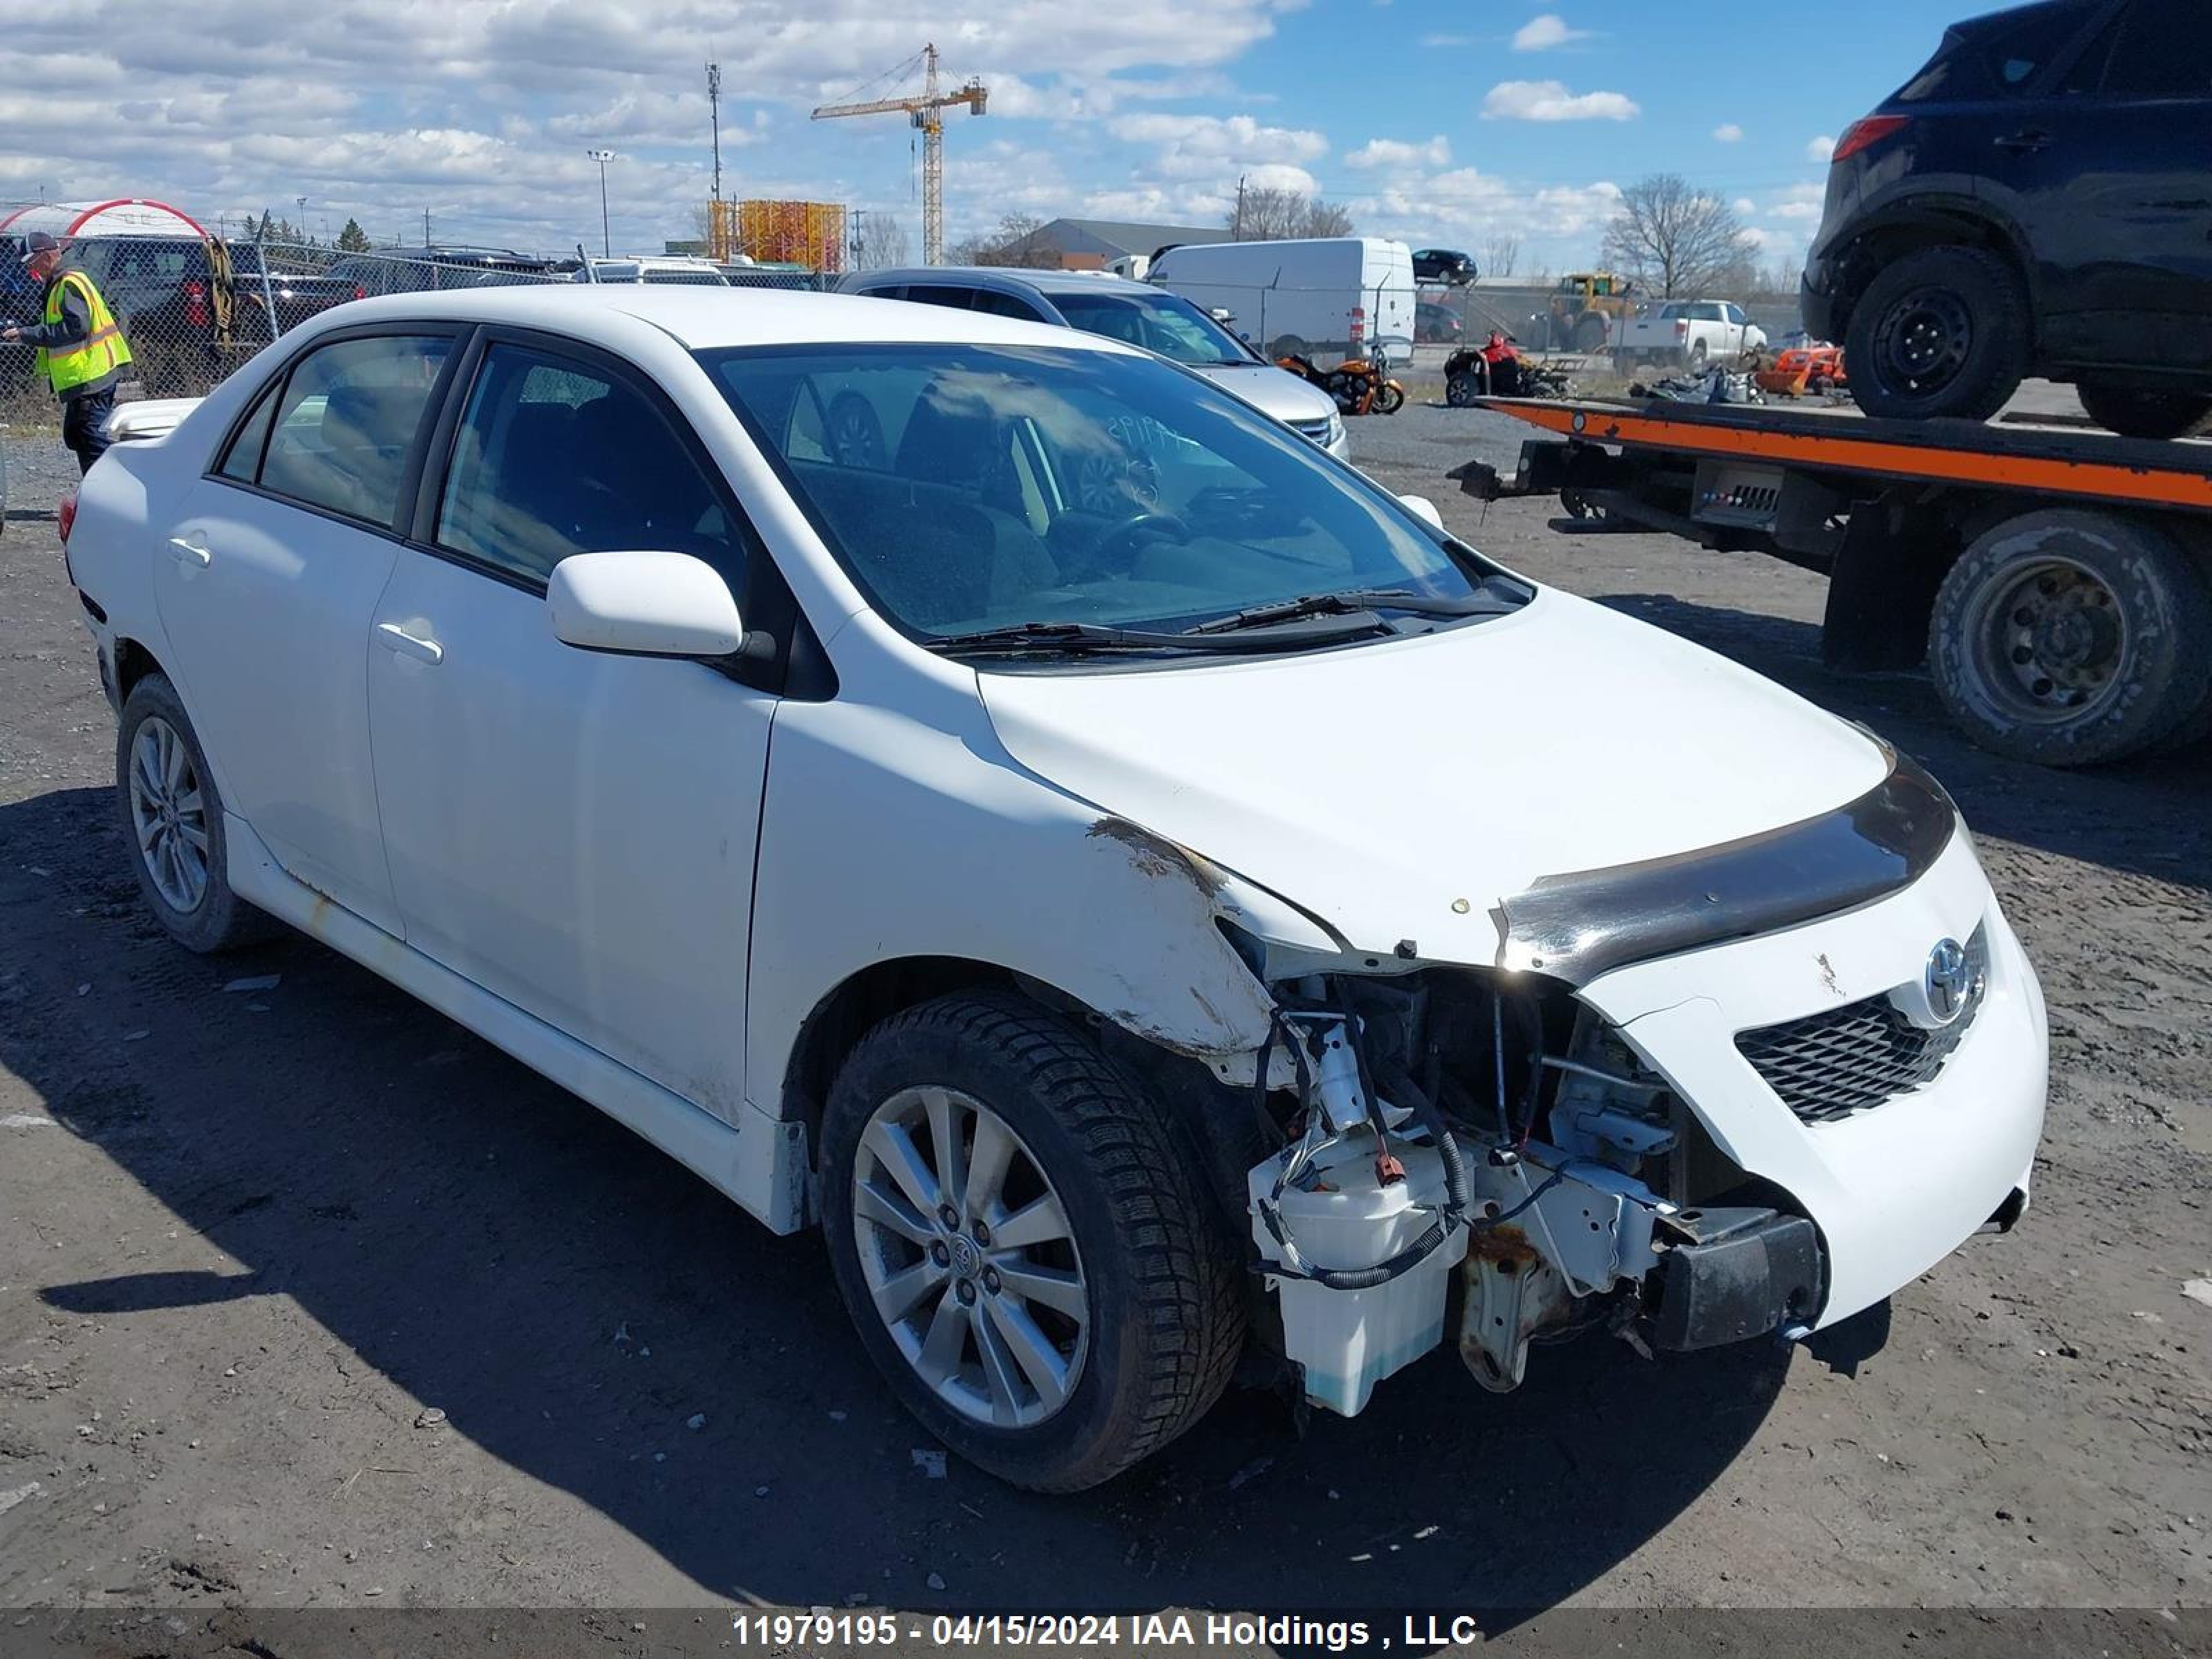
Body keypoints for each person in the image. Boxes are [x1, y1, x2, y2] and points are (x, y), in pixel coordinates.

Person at [1, 232, 134, 475]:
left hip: (90, 374)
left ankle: (108, 493)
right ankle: (95, 493)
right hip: (87, 374)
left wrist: (28, 334)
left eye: (32, 263)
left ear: (47, 256)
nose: (32, 270)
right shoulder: (64, 280)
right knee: (79, 436)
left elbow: (76, 328)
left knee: (93, 441)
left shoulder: (68, 283)